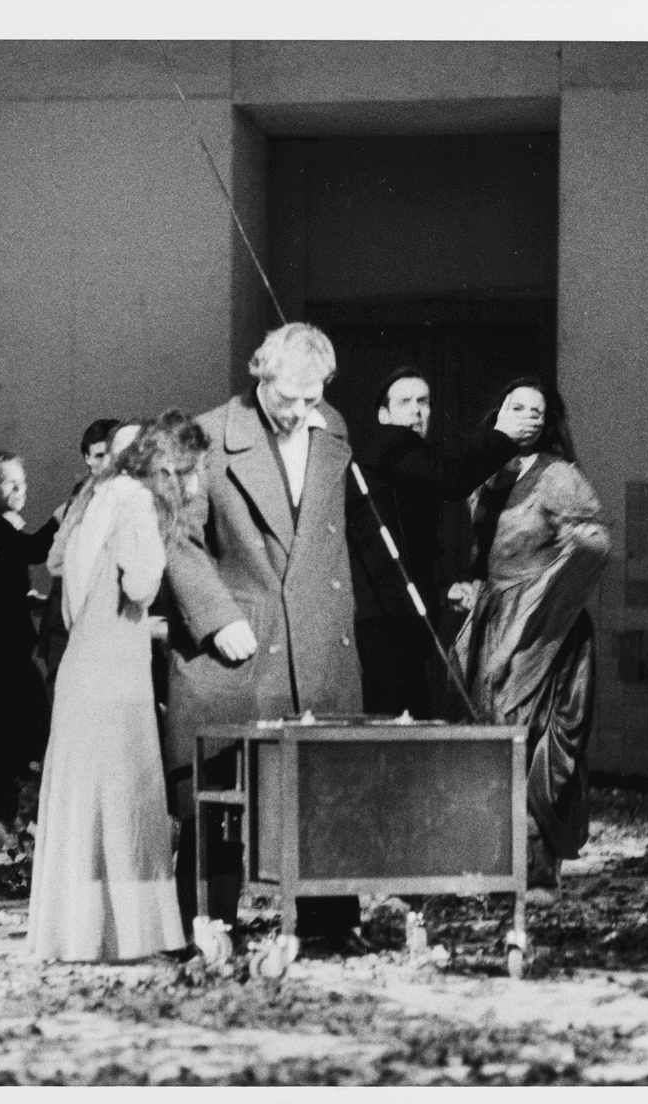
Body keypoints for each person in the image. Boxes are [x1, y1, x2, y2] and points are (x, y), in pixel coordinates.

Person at [165, 322, 363, 942]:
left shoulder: (331, 430)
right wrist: (216, 617)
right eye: (288, 399)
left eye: (314, 398)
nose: (302, 412)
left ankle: (330, 924)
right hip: (241, 643)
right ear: (258, 374)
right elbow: (178, 539)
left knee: (324, 789)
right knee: (220, 794)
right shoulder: (201, 439)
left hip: (318, 640)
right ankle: (208, 924)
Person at [28, 411, 207, 962]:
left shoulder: (91, 495)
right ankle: (132, 934)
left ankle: (79, 932)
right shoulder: (134, 500)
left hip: (82, 657)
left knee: (86, 796)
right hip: (117, 660)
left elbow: (60, 562)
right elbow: (143, 580)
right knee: (126, 790)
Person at [450, 378, 610, 895]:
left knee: (543, 743)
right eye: (516, 406)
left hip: (547, 631)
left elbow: (593, 541)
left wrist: (543, 592)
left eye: (537, 410)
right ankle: (493, 861)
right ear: (498, 413)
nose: (528, 417)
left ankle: (538, 868)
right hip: (492, 626)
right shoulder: (483, 476)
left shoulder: (559, 476)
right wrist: (470, 583)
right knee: (488, 735)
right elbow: (474, 547)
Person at [345, 369, 525, 718]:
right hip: (384, 619)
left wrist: (445, 588)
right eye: (405, 402)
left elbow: (412, 546)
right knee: (396, 728)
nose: (417, 411)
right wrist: (503, 437)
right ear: (384, 415)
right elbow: (452, 478)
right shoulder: (389, 442)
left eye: (423, 402)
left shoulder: (405, 460)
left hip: (397, 618)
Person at [0, 451, 59, 827]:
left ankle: (9, 816)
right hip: (3, 652)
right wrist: (62, 516)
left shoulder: (2, 526)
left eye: (23, 480)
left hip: (6, 649)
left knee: (16, 730)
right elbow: (35, 551)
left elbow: (4, 581)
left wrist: (27, 601)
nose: (21, 488)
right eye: (9, 481)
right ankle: (4, 818)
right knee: (19, 730)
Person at [39, 419, 120, 695]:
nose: (106, 463)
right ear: (87, 458)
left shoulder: (124, 497)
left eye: (111, 454)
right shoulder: (82, 497)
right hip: (67, 622)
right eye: (98, 456)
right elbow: (55, 561)